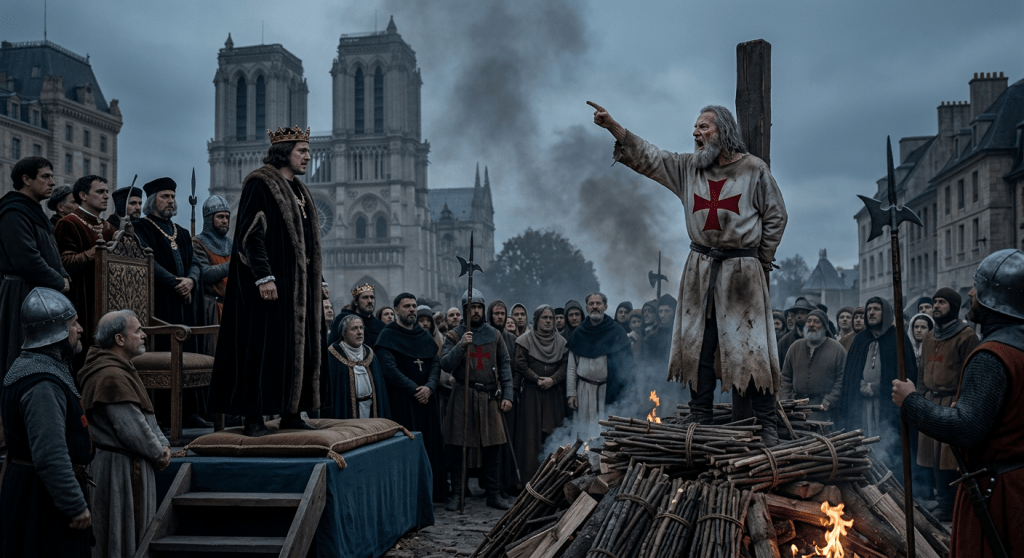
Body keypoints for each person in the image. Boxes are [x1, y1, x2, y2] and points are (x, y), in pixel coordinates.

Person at [591, 102, 787, 442]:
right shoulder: (688, 168)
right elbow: (649, 156)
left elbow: (776, 215)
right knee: (699, 343)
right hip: (700, 268)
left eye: (703, 127)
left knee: (751, 347)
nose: (695, 133)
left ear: (724, 131)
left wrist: (760, 259)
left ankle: (767, 422)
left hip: (741, 272)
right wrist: (613, 127)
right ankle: (700, 414)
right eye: (695, 128)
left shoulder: (753, 169)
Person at [893, 249, 1024, 557]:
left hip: (998, 491)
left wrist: (910, 401)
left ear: (995, 297)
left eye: (977, 287)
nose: (971, 294)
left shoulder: (993, 356)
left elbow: (967, 428)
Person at [209, 125, 328, 437]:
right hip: (270, 286)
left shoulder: (300, 190)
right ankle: (253, 418)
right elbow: (250, 235)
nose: (308, 156)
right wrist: (263, 276)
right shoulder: (260, 184)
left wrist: (319, 280)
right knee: (262, 351)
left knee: (296, 351)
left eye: (308, 151)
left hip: (298, 288)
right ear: (284, 152)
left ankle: (292, 412)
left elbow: (308, 243)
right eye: (302, 151)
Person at [0, 287, 92, 557]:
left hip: (39, 493)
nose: (80, 330)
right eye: (73, 324)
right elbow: (50, 454)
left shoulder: (38, 369)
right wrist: (73, 503)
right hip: (40, 501)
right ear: (56, 331)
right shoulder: (41, 382)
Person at [78, 310, 170, 558]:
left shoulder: (122, 368)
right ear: (119, 339)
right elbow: (132, 428)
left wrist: (163, 443)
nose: (144, 335)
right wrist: (159, 452)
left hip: (125, 464)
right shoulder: (110, 375)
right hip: (119, 470)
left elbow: (145, 416)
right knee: (121, 537)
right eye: (138, 331)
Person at [133, 177, 209, 429]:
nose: (170, 201)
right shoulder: (140, 228)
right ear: (152, 200)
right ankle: (164, 415)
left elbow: (195, 262)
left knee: (189, 351)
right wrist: (176, 283)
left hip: (186, 304)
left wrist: (191, 280)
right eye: (165, 196)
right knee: (165, 353)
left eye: (173, 197)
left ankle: (190, 412)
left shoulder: (182, 232)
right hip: (161, 303)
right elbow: (148, 262)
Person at [440, 288, 513, 511]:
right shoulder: (454, 335)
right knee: (458, 447)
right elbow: (445, 364)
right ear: (465, 310)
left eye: (479, 307)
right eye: (472, 308)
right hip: (463, 394)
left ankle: (493, 493)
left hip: (489, 395)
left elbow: (505, 364)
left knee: (493, 446)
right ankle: (457, 493)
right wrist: (461, 345)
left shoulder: (495, 335)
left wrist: (508, 394)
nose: (476, 311)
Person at [914, 287, 979, 520]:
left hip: (952, 401)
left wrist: (962, 403)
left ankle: (952, 506)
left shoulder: (966, 336)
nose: (936, 306)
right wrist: (919, 396)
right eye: (935, 302)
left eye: (942, 302)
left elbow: (971, 373)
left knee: (950, 459)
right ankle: (942, 500)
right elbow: (922, 371)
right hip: (930, 400)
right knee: (933, 457)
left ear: (953, 306)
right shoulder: (930, 337)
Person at [0, 157, 71, 372]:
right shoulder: (14, 211)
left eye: (52, 176)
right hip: (21, 295)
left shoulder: (34, 211)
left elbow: (52, 253)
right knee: (22, 356)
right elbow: (26, 259)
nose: (52, 182)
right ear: (26, 179)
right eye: (45, 176)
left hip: (40, 292)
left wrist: (64, 276)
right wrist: (58, 281)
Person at [376, 293, 447, 503]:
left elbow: (435, 363)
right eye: (407, 306)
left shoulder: (423, 335)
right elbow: (389, 369)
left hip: (427, 403)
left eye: (414, 306)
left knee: (430, 447)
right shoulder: (388, 335)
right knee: (406, 448)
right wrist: (416, 390)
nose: (412, 310)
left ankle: (433, 492)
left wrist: (430, 387)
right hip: (403, 403)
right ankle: (408, 495)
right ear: (397, 310)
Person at [838, 297, 917, 482]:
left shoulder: (898, 339)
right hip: (861, 406)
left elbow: (907, 374)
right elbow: (850, 376)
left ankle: (890, 482)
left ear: (886, 313)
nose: (871, 313)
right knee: (863, 441)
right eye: (869, 309)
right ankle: (864, 478)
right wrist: (859, 386)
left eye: (876, 309)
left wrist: (879, 387)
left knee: (888, 443)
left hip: (887, 406)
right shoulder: (860, 339)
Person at [55, 174, 117, 368]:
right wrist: (95, 252)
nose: (106, 196)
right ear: (83, 195)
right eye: (100, 191)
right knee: (83, 360)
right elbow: (64, 263)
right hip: (81, 302)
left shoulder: (109, 227)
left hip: (107, 303)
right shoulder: (68, 223)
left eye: (107, 191)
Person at [566, 292, 634, 437]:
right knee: (584, 431)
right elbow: (572, 367)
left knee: (605, 431)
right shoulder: (578, 333)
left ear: (605, 307)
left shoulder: (616, 331)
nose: (595, 307)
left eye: (598, 303)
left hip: (608, 390)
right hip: (584, 390)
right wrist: (571, 393)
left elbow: (627, 366)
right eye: (591, 304)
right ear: (587, 308)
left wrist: (624, 393)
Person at [513, 305, 568, 482]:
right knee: (530, 439)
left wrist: (553, 380)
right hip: (531, 395)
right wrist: (536, 379)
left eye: (551, 318)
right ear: (536, 320)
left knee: (553, 436)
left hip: (553, 396)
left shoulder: (562, 342)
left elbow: (565, 366)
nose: (548, 321)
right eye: (544, 318)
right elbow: (520, 364)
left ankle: (551, 481)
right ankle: (529, 480)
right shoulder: (524, 340)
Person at [779, 309, 845, 421]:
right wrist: (786, 401)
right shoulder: (795, 347)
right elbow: (785, 377)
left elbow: (841, 379)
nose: (811, 324)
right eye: (809, 321)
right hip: (796, 407)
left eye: (816, 322)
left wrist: (829, 401)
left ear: (824, 326)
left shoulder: (837, 349)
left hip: (823, 409)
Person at [324, 314, 390, 420]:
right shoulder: (333, 355)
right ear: (344, 334)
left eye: (361, 328)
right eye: (354, 328)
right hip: (346, 411)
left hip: (371, 409)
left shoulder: (369, 353)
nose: (359, 332)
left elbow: (379, 388)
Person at [192, 195, 232, 355]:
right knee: (213, 356)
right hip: (211, 309)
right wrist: (234, 264)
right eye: (220, 217)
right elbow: (205, 274)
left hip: (231, 307)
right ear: (209, 219)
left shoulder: (231, 243)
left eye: (227, 217)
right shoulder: (198, 243)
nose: (225, 221)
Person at [331, 283, 384, 348]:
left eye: (372, 297)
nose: (370, 301)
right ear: (356, 302)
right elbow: (332, 346)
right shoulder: (342, 319)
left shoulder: (380, 325)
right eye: (365, 297)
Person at [640, 294, 676, 378]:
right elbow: (645, 364)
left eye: (667, 311)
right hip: (656, 379)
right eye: (660, 311)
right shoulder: (650, 338)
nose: (662, 315)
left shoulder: (681, 337)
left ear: (674, 312)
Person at [777, 297, 815, 365]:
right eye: (797, 313)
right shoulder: (784, 342)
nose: (799, 316)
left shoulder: (816, 338)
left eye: (802, 313)